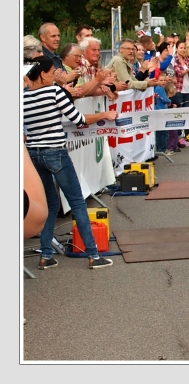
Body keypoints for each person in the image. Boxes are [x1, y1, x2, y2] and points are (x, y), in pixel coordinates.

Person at [23, 56, 117, 269]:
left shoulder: (23, 97)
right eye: (53, 72)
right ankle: (93, 255)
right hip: (56, 151)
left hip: (34, 154)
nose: (56, 75)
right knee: (77, 202)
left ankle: (46, 255)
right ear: (44, 74)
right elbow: (79, 120)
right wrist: (104, 114)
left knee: (49, 204)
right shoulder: (55, 92)